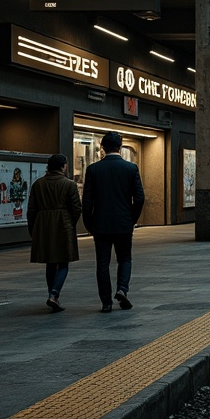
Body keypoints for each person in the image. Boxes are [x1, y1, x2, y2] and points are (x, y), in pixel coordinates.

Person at [82, 131, 145, 313]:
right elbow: (139, 198)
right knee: (124, 258)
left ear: (102, 147)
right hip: (123, 222)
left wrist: (89, 223)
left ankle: (106, 302)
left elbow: (87, 201)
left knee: (102, 262)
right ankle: (122, 289)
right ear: (120, 146)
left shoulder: (93, 169)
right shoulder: (131, 168)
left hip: (100, 224)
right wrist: (132, 218)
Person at [27, 153, 82, 313]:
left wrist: (34, 229)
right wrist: (70, 223)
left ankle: (52, 294)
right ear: (63, 166)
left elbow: (31, 210)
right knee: (63, 262)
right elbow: (76, 208)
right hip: (63, 223)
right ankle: (54, 294)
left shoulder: (38, 184)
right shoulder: (69, 184)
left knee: (50, 262)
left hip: (43, 224)